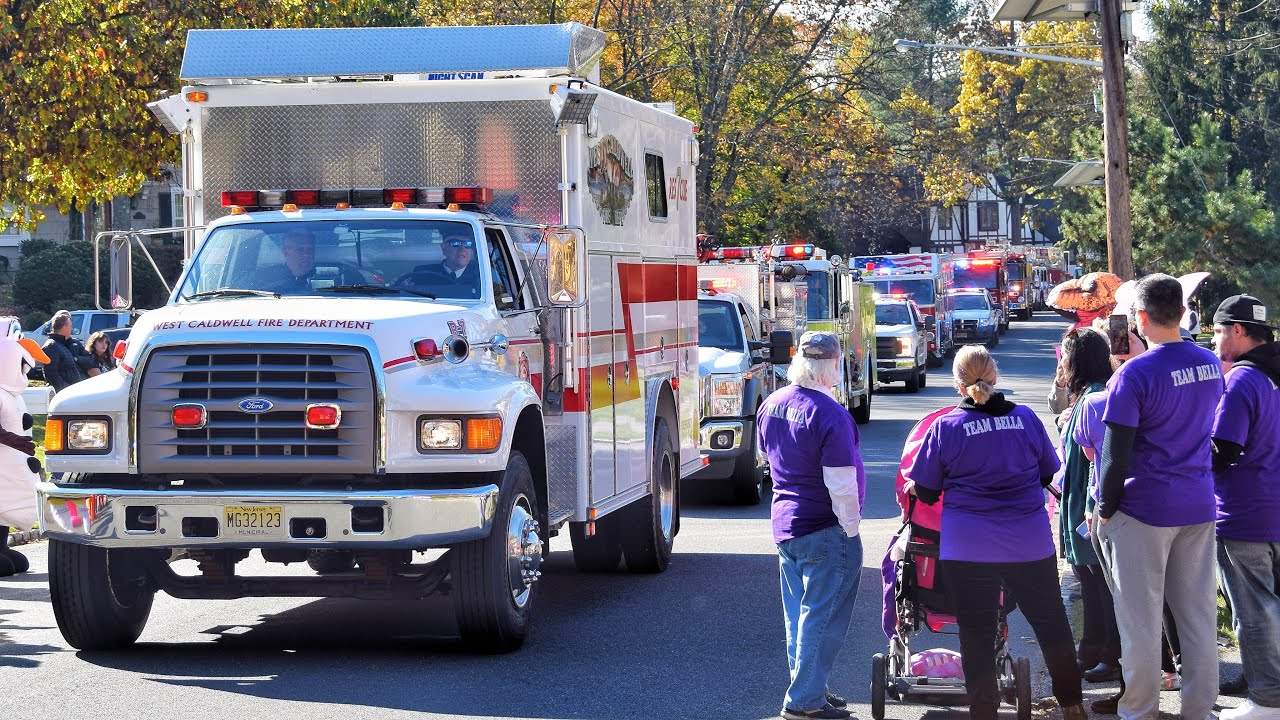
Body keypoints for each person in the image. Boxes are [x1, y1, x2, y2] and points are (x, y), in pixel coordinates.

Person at [907, 345, 1086, 720]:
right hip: (1028, 542)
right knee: (1050, 622)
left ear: (958, 385)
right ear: (995, 377)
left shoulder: (945, 427)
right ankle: (1071, 704)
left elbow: (925, 489)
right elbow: (1047, 472)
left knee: (976, 631)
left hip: (968, 546)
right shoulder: (1025, 419)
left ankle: (984, 713)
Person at [1095, 273, 1223, 720]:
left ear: (1140, 318)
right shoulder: (1210, 363)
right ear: (1184, 313)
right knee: (1197, 616)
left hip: (1144, 507)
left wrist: (1104, 509)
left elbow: (1115, 456)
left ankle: (1141, 710)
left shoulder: (1134, 374)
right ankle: (1198, 709)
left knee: (1140, 621)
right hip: (1198, 502)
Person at [757, 331, 865, 720]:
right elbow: (841, 482)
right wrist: (851, 529)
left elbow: (766, 456)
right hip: (824, 527)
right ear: (832, 365)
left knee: (800, 616)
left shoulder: (771, 404)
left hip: (786, 525)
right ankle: (804, 700)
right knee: (824, 617)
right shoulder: (831, 414)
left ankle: (809, 689)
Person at [1209, 295, 1280, 720]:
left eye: (1218, 331)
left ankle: (1268, 702)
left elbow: (1223, 448)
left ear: (1238, 331)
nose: (1215, 340)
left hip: (1245, 511)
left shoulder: (1243, 380)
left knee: (1255, 613)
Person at [1056, 329, 1123, 683]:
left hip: (1089, 503)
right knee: (1089, 580)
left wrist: (1089, 506)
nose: (1062, 362)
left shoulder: (1097, 396)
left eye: (1065, 355)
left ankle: (1109, 655)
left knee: (1101, 583)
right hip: (1078, 501)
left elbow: (1099, 460)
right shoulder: (1084, 396)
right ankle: (1092, 649)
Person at [40, 311, 93, 393]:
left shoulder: (64, 344)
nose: (71, 329)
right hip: (64, 395)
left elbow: (90, 359)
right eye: (70, 326)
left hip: (73, 392)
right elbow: (51, 374)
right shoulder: (51, 346)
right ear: (64, 327)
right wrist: (67, 391)